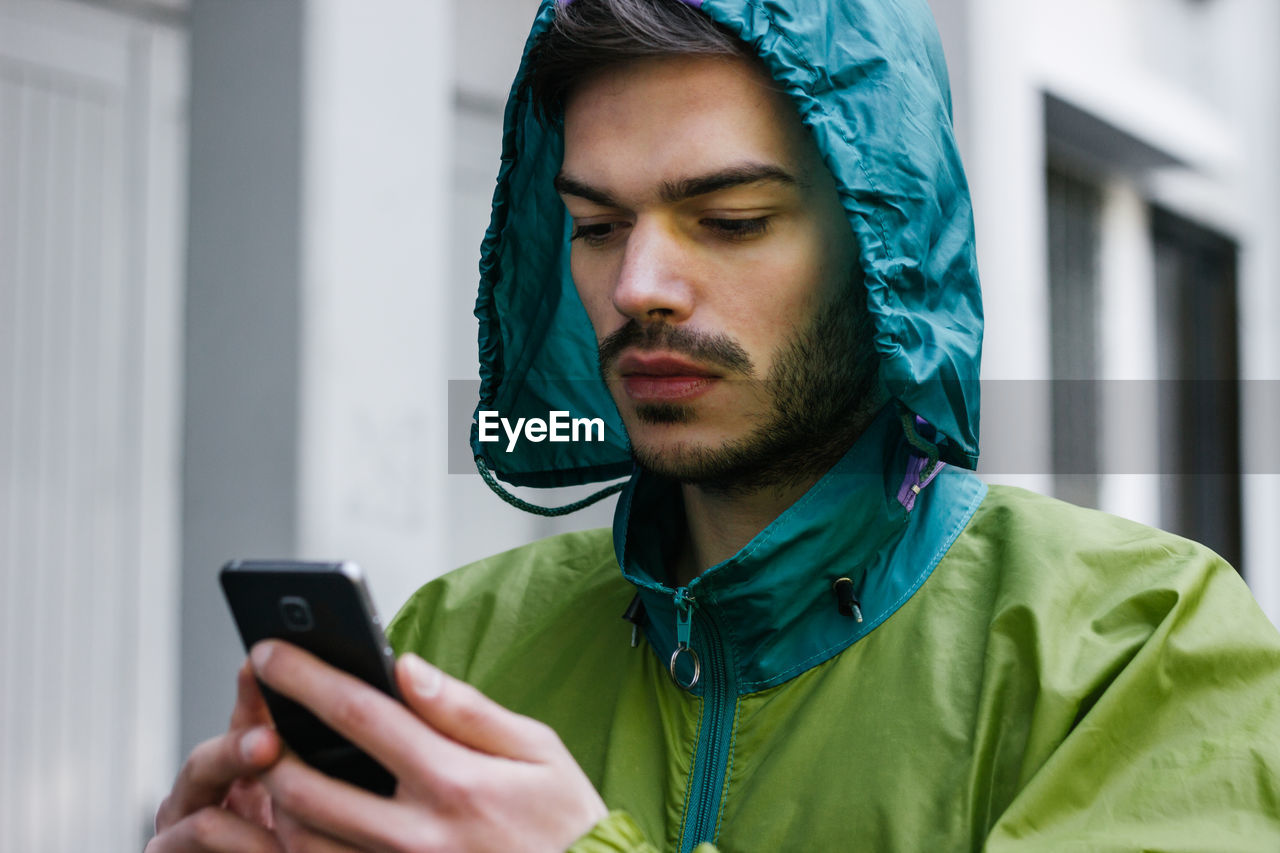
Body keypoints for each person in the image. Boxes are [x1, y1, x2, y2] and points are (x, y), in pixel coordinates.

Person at [149, 0, 1280, 851]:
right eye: (594, 225)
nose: (639, 282)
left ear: (883, 250)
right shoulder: (459, 644)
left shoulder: (1133, 652)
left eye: (728, 220)